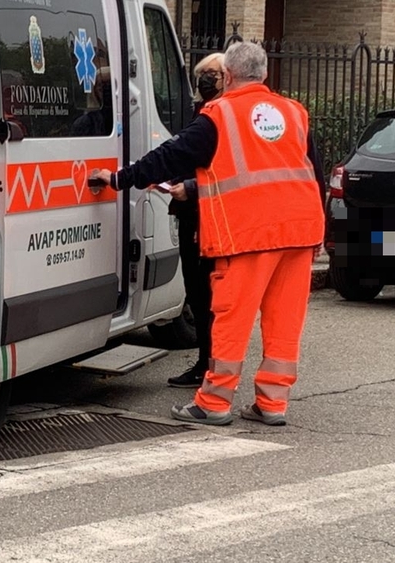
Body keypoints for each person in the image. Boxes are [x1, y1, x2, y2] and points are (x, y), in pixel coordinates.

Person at [90, 41, 326, 427]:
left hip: (249, 234)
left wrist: (119, 178)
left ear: (228, 76)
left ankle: (214, 401)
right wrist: (320, 231)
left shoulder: (220, 115)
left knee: (230, 319)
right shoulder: (293, 113)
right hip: (300, 231)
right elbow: (313, 173)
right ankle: (272, 403)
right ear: (264, 75)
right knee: (284, 322)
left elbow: (169, 157)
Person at [162, 53, 226, 388]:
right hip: (192, 216)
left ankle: (212, 366)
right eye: (202, 74)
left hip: (214, 219)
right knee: (197, 293)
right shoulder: (199, 113)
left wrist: (189, 187)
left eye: (212, 74)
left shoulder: (221, 117)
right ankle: (207, 362)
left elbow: (227, 172)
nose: (205, 80)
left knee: (211, 297)